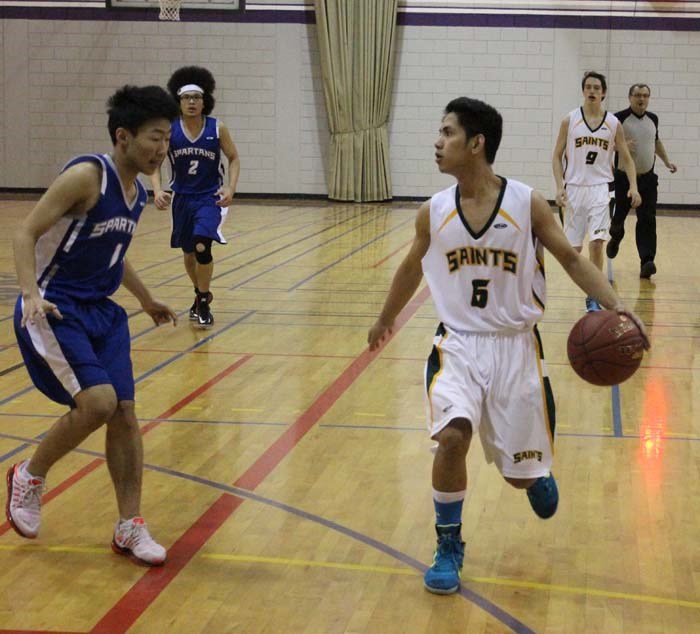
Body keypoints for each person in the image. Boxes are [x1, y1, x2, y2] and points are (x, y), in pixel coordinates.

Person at [367, 97, 650, 596]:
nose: (438, 141)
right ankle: (448, 545)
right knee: (452, 437)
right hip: (457, 344)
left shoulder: (526, 202)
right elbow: (412, 267)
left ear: (476, 144)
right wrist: (385, 319)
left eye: (448, 132)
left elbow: (570, 257)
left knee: (523, 482)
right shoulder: (432, 211)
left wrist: (618, 307)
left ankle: (531, 474)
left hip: (516, 349)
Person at [6, 85, 180, 567]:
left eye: (166, 139)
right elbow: (26, 231)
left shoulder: (137, 194)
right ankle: (30, 475)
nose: (161, 149)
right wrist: (30, 295)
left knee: (124, 413)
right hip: (57, 307)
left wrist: (145, 299)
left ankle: (130, 525)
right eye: (154, 138)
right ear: (123, 136)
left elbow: (114, 256)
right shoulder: (86, 175)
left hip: (103, 312)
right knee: (98, 403)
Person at [150, 66, 241, 328]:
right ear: (178, 102)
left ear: (205, 102)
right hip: (182, 199)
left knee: (203, 245)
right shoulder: (170, 130)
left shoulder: (217, 128)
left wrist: (230, 188)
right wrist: (157, 190)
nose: (191, 102)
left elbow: (233, 158)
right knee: (188, 253)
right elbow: (154, 162)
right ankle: (199, 292)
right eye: (186, 98)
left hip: (209, 198)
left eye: (196, 98)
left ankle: (203, 300)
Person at [552, 71, 641, 312]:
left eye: (596, 88)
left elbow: (626, 158)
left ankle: (594, 295)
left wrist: (633, 186)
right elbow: (556, 156)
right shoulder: (569, 121)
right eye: (588, 87)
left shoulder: (613, 123)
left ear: (603, 93)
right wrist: (559, 187)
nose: (592, 91)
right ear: (583, 91)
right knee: (573, 251)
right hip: (574, 189)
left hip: (601, 189)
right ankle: (589, 286)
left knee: (597, 243)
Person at [607, 83, 677, 279]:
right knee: (619, 217)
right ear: (630, 97)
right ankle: (615, 237)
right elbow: (604, 145)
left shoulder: (653, 119)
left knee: (647, 219)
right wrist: (619, 146)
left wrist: (667, 161)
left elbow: (655, 142)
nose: (642, 99)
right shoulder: (618, 118)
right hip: (623, 179)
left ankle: (647, 261)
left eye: (645, 95)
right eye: (638, 95)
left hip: (647, 179)